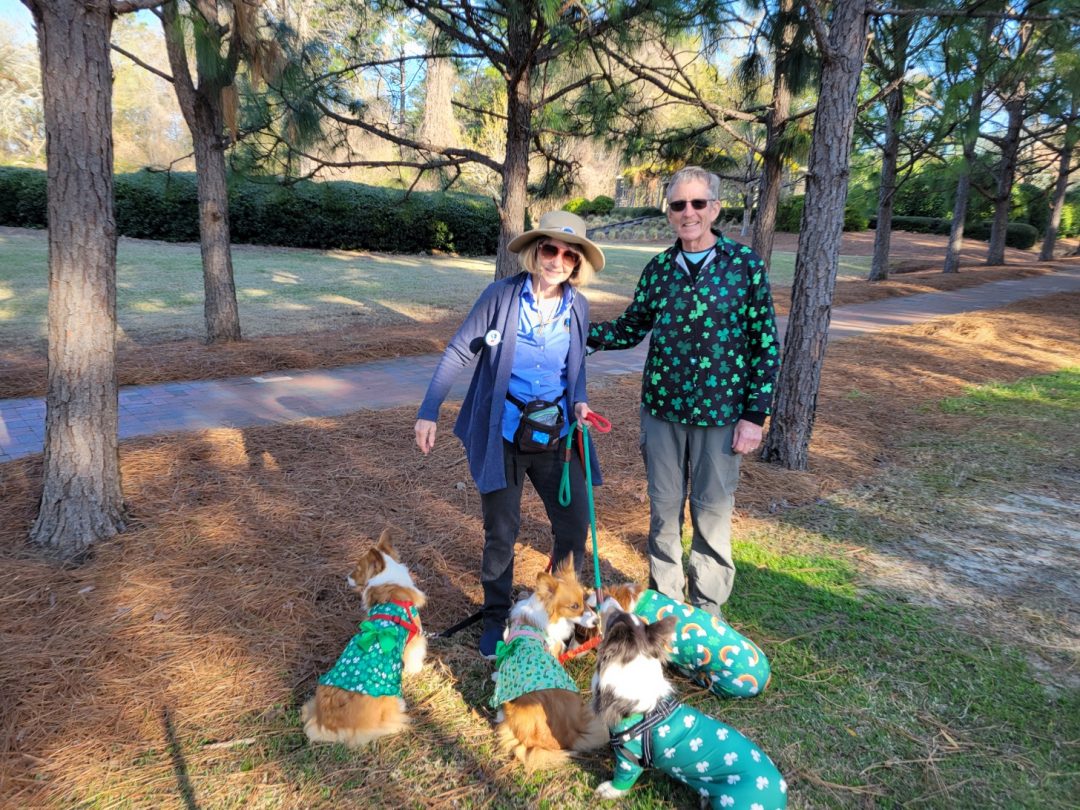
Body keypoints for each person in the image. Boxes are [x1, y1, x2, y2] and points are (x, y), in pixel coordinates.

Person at [587, 166, 780, 617]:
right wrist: (577, 332)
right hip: (663, 410)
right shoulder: (658, 270)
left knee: (712, 512)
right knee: (663, 510)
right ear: (669, 212)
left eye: (698, 203)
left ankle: (708, 611)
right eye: (678, 204)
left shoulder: (744, 265)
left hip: (722, 413)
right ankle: (667, 608)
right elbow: (631, 327)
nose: (688, 212)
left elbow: (766, 344)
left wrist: (754, 416)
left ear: (715, 208)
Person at [415, 211, 605, 658]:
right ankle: (496, 615)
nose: (557, 260)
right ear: (536, 252)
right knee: (502, 531)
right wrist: (429, 410)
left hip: (556, 435)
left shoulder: (577, 306)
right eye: (550, 249)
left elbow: (575, 367)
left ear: (577, 264)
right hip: (502, 432)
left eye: (569, 255)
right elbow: (459, 350)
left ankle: (556, 609)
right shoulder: (500, 297)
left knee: (574, 524)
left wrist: (579, 400)